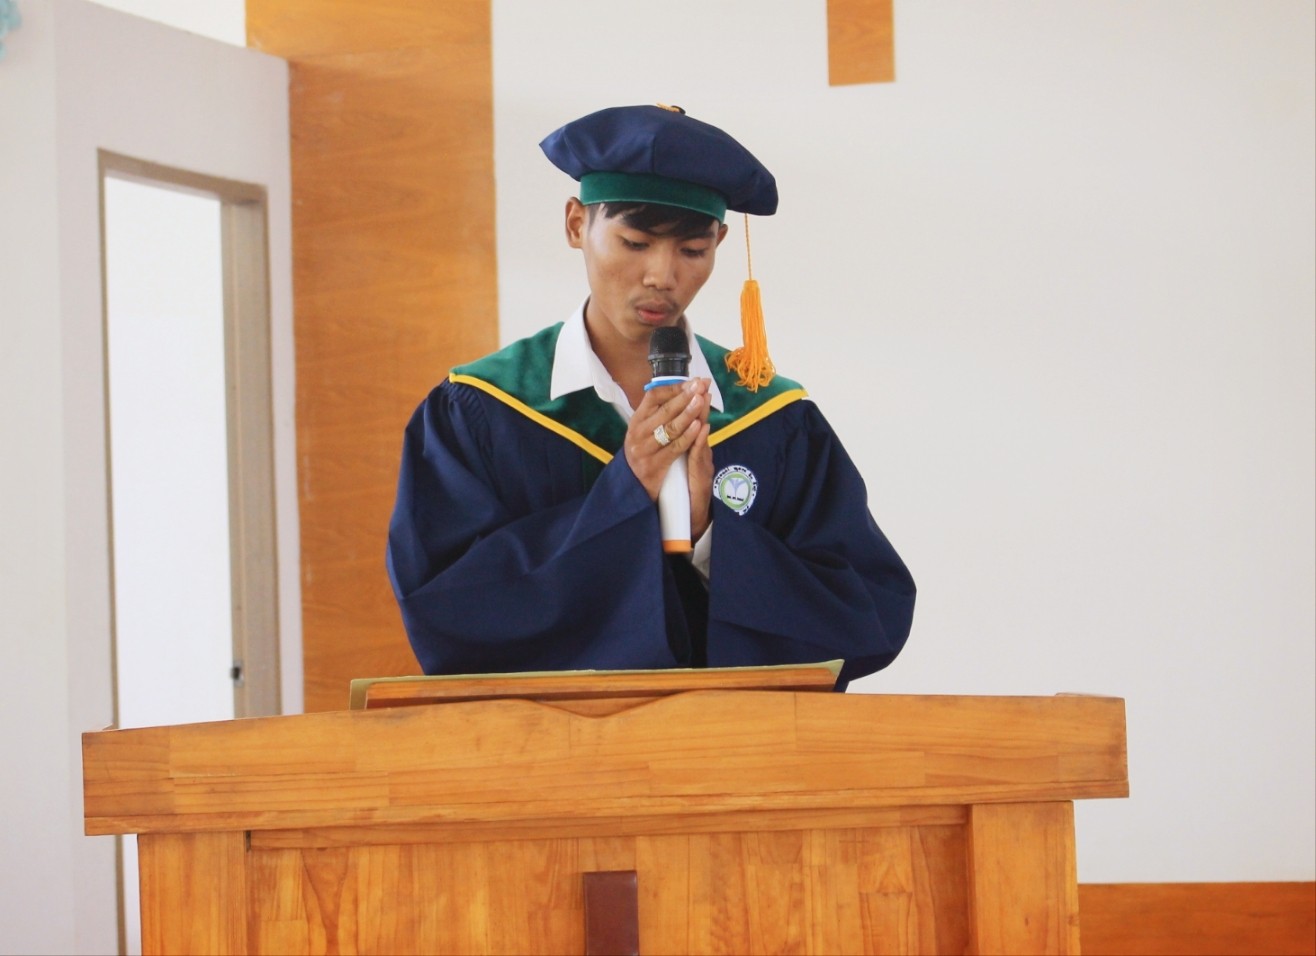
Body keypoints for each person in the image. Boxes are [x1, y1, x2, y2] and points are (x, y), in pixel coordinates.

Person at [387, 104, 914, 690]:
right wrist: (627, 492)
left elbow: (870, 614)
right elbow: (446, 612)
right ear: (576, 225)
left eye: (692, 251)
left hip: (736, 741)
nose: (662, 275)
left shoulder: (773, 418)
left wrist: (709, 535)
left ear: (719, 241)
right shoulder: (482, 410)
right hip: (555, 742)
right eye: (635, 242)